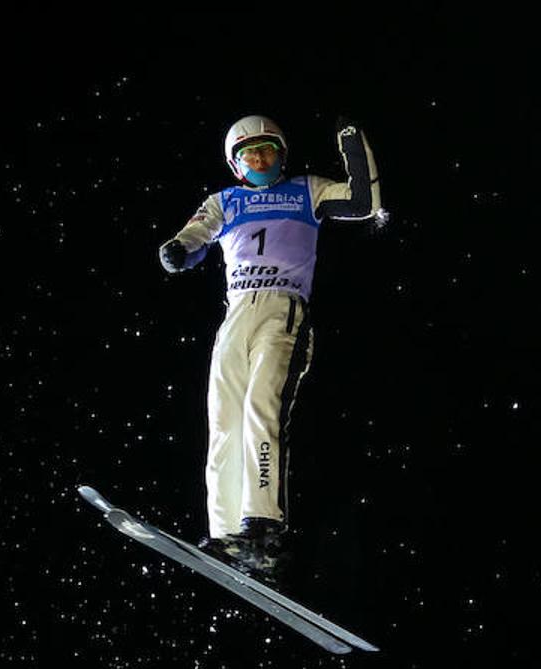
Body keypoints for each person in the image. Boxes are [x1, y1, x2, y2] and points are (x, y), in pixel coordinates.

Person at [158, 113, 384, 580]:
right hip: (237, 311)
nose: (259, 159)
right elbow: (195, 236)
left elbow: (363, 202)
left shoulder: (306, 190)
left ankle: (263, 531)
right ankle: (226, 536)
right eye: (248, 154)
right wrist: (177, 249)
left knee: (262, 408)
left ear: (282, 154)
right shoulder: (224, 200)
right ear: (235, 164)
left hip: (283, 308)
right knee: (224, 419)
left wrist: (354, 146)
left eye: (268, 150)